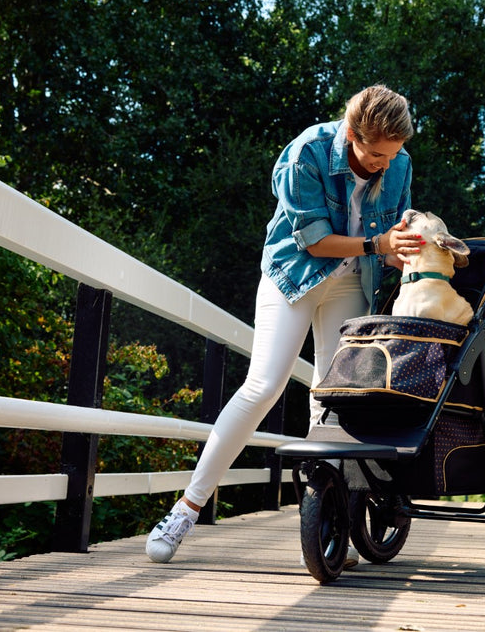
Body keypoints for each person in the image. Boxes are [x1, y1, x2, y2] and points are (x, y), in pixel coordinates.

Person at [146, 84, 423, 565]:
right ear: (352, 133)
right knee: (264, 385)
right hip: (293, 276)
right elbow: (315, 242)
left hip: (352, 281)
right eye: (376, 153)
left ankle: (327, 525)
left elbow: (393, 232)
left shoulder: (398, 164)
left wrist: (406, 255)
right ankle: (186, 509)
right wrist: (379, 245)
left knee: (332, 403)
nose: (385, 163)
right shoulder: (307, 152)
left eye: (393, 154)